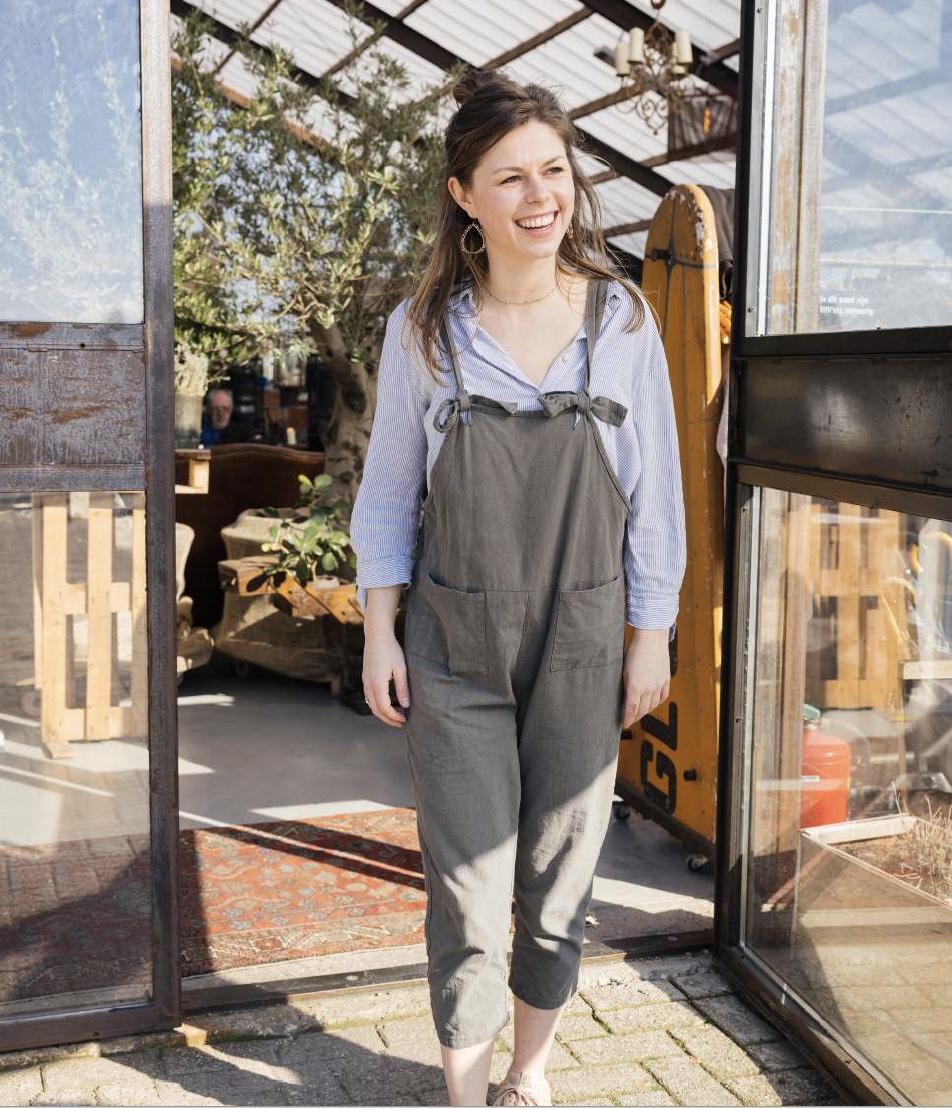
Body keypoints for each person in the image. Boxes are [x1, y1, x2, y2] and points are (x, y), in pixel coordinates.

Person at [350, 70, 686, 1108]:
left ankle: (527, 1075)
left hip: (585, 641)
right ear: (464, 195)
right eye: (510, 177)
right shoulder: (424, 331)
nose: (540, 196)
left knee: (558, 878)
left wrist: (652, 633)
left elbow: (658, 494)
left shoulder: (622, 322)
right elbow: (388, 492)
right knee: (465, 887)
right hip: (453, 645)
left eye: (553, 171)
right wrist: (379, 629)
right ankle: (466, 1095)